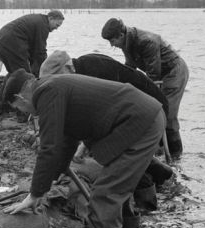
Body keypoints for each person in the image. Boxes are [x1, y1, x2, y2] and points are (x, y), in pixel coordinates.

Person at [1, 69, 165, 228]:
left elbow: (49, 148)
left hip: (139, 123)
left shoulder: (46, 92)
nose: (26, 113)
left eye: (20, 109)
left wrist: (35, 193)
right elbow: (65, 141)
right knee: (116, 189)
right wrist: (49, 182)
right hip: (138, 120)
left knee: (104, 197)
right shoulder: (53, 87)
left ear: (20, 97)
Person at [39, 50, 172, 162]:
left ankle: (155, 173)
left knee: (106, 153)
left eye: (56, 80)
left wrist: (83, 146)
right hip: (136, 109)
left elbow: (99, 115)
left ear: (68, 68)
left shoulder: (92, 71)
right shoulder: (83, 64)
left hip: (151, 108)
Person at [101, 18, 189, 158]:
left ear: (121, 35)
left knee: (168, 113)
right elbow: (130, 67)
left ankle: (175, 153)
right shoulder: (126, 43)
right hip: (161, 73)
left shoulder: (146, 41)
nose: (112, 44)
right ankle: (158, 148)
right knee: (155, 111)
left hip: (174, 72)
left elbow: (153, 74)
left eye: (112, 41)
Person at [0, 10, 64, 77]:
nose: (56, 28)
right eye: (57, 25)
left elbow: (33, 51)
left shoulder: (38, 20)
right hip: (10, 44)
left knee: (15, 73)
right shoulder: (43, 26)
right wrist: (45, 71)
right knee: (25, 76)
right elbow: (40, 52)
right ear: (50, 18)